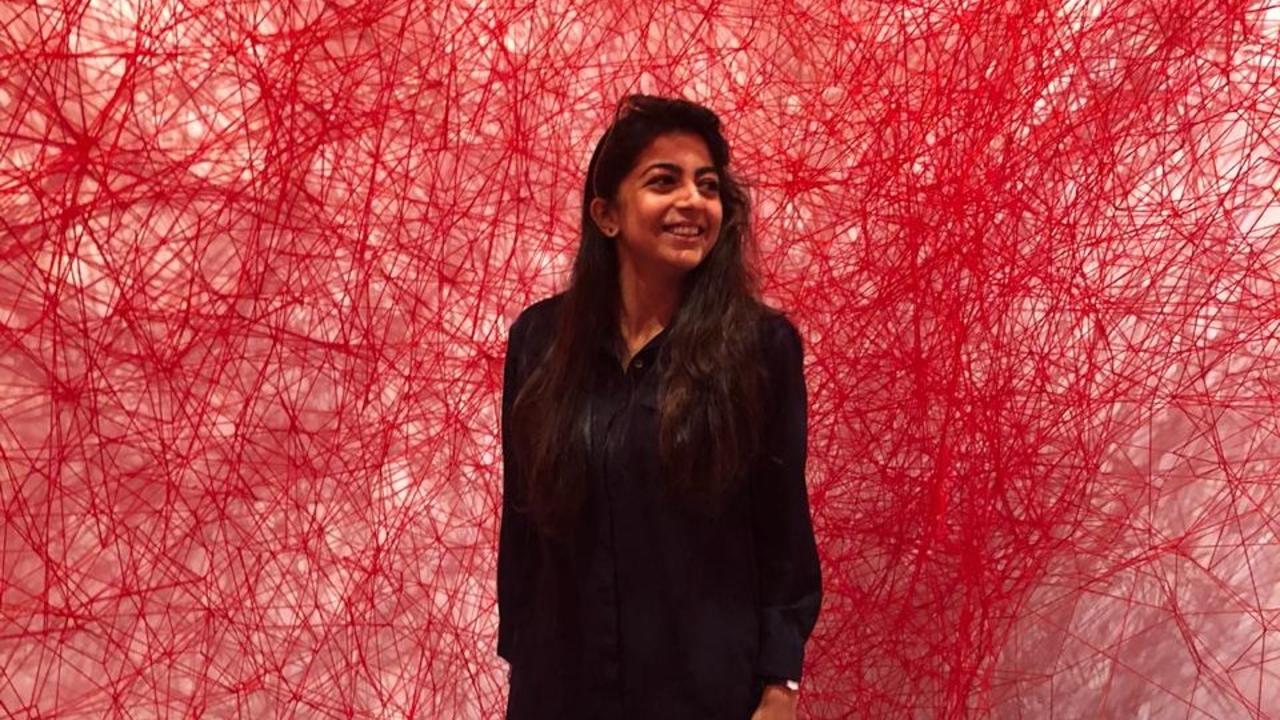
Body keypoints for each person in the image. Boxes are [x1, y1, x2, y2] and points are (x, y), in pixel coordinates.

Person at [497, 93, 821, 719]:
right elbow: (524, 523)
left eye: (708, 185)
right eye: (664, 181)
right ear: (606, 214)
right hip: (562, 687)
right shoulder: (540, 341)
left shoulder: (760, 347)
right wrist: (522, 658)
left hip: (703, 691)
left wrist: (780, 686)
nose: (693, 201)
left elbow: (782, 529)